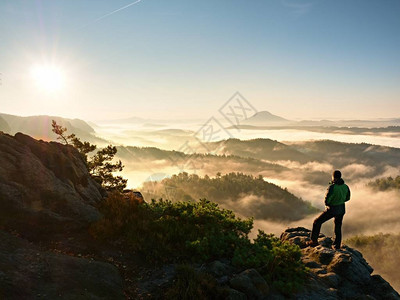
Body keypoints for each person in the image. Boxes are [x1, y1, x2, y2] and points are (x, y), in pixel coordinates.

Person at [307, 170, 351, 250]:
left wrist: (330, 204)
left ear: (333, 177)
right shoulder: (346, 186)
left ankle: (313, 241)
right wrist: (340, 200)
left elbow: (327, 200)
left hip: (332, 209)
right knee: (338, 227)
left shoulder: (332, 187)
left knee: (317, 222)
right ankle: (337, 246)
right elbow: (348, 198)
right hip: (341, 209)